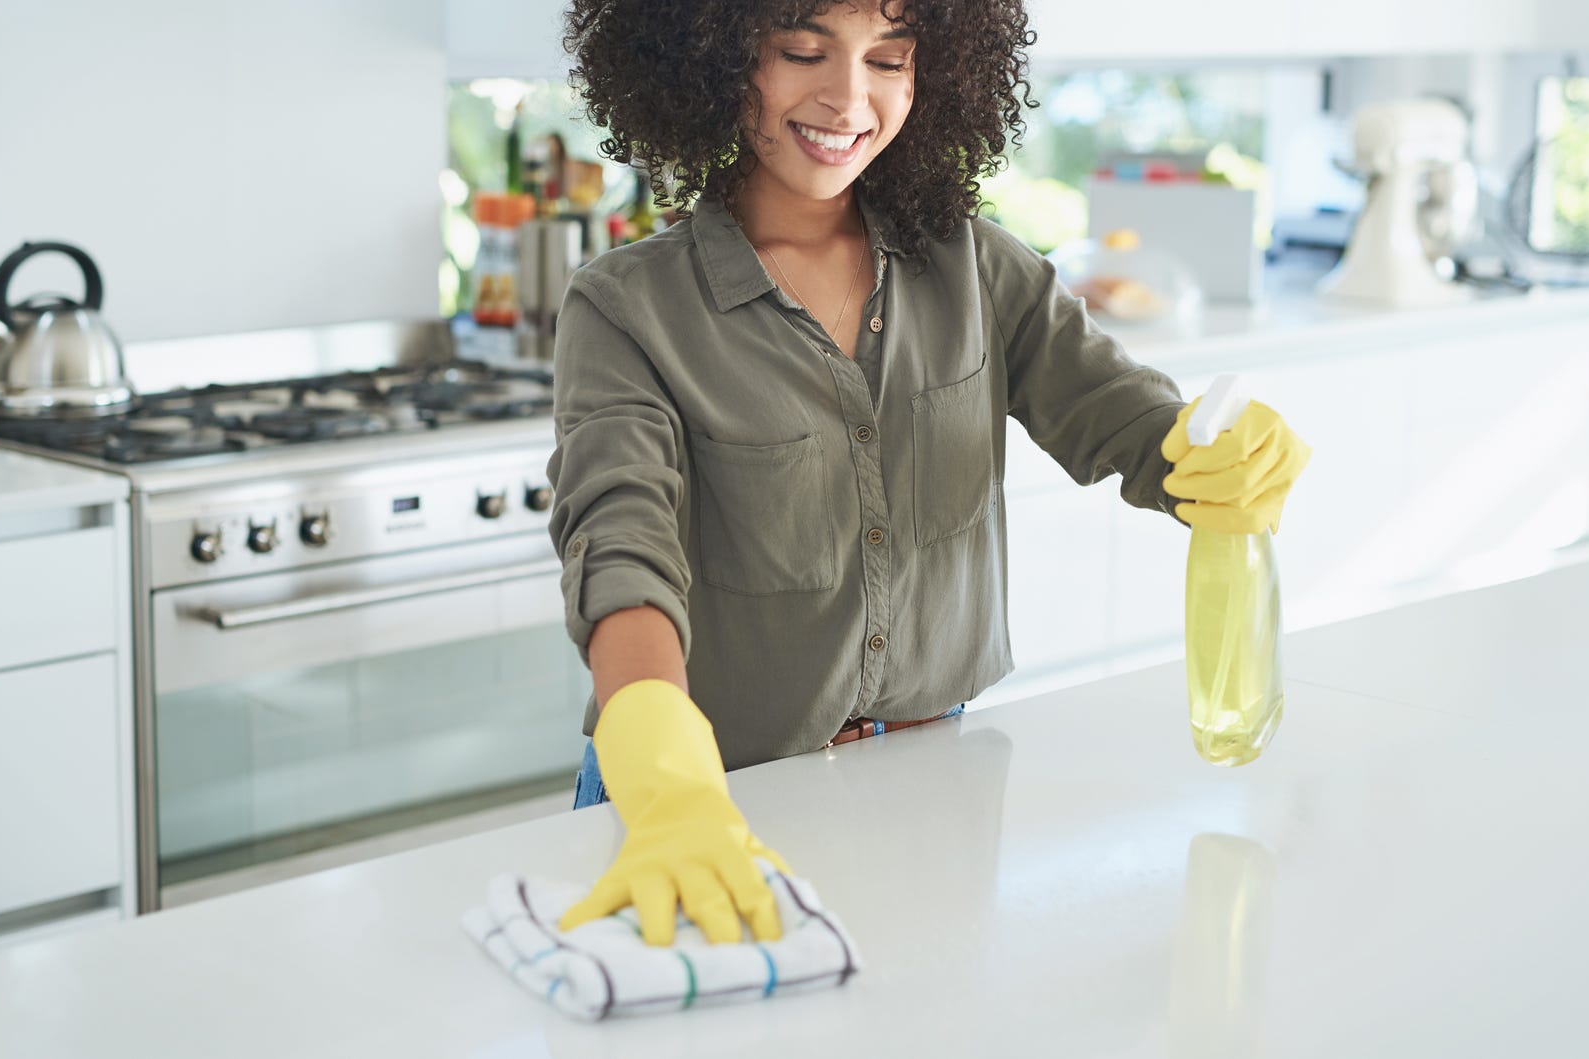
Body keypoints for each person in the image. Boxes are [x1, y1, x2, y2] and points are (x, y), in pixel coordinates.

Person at [545, 0, 1311, 947]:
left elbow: (1124, 421)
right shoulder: (629, 308)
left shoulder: (976, 268)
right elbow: (621, 547)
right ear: (703, 60)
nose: (848, 97)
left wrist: (1212, 450)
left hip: (930, 782)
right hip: (706, 800)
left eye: (890, 59)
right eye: (801, 51)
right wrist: (659, 761)